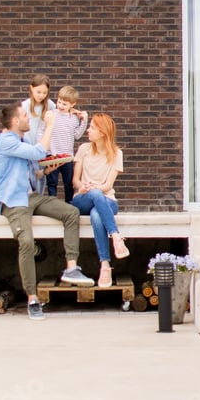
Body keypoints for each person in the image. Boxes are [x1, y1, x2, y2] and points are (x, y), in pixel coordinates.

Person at [0, 102, 93, 320]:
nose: (28, 119)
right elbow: (38, 151)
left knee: (71, 213)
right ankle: (32, 299)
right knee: (27, 243)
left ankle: (71, 267)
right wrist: (50, 124)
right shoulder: (4, 141)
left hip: (32, 198)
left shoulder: (20, 141)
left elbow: (35, 173)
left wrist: (47, 170)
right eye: (24, 116)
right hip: (15, 203)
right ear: (15, 121)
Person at [71, 113, 129, 288]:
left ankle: (105, 265)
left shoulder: (116, 153)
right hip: (83, 198)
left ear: (103, 132)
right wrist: (83, 187)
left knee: (97, 215)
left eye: (92, 128)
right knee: (95, 195)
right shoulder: (84, 149)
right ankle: (116, 236)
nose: (88, 130)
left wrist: (96, 186)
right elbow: (75, 181)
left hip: (106, 199)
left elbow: (108, 185)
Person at [38, 85, 88, 202]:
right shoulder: (50, 114)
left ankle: (69, 204)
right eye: (59, 102)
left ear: (72, 104)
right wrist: (41, 147)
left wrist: (84, 121)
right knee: (52, 183)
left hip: (67, 157)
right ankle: (53, 204)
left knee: (69, 183)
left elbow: (77, 135)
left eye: (64, 104)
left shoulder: (74, 118)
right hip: (52, 155)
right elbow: (41, 131)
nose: (60, 106)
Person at [21, 73, 56, 194]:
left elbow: (61, 114)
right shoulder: (24, 106)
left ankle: (38, 202)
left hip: (42, 149)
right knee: (28, 178)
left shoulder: (50, 105)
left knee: (40, 179)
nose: (41, 95)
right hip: (27, 149)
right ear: (31, 88)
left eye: (44, 93)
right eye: (38, 92)